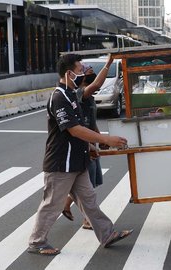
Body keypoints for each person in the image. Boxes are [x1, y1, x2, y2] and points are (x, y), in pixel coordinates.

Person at [28, 54, 132, 256]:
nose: (83, 74)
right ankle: (36, 241)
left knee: (89, 201)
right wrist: (105, 139)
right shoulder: (59, 97)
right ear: (68, 73)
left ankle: (107, 234)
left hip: (77, 160)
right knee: (52, 204)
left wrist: (91, 147)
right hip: (61, 163)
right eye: (80, 70)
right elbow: (73, 129)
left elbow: (80, 128)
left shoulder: (71, 94)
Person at [62, 58, 114, 230]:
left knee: (87, 182)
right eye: (86, 69)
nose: (90, 69)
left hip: (91, 143)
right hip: (82, 144)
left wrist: (101, 139)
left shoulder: (90, 98)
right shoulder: (80, 93)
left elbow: (92, 122)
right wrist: (108, 63)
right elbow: (98, 84)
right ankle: (86, 218)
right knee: (87, 186)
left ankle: (65, 204)